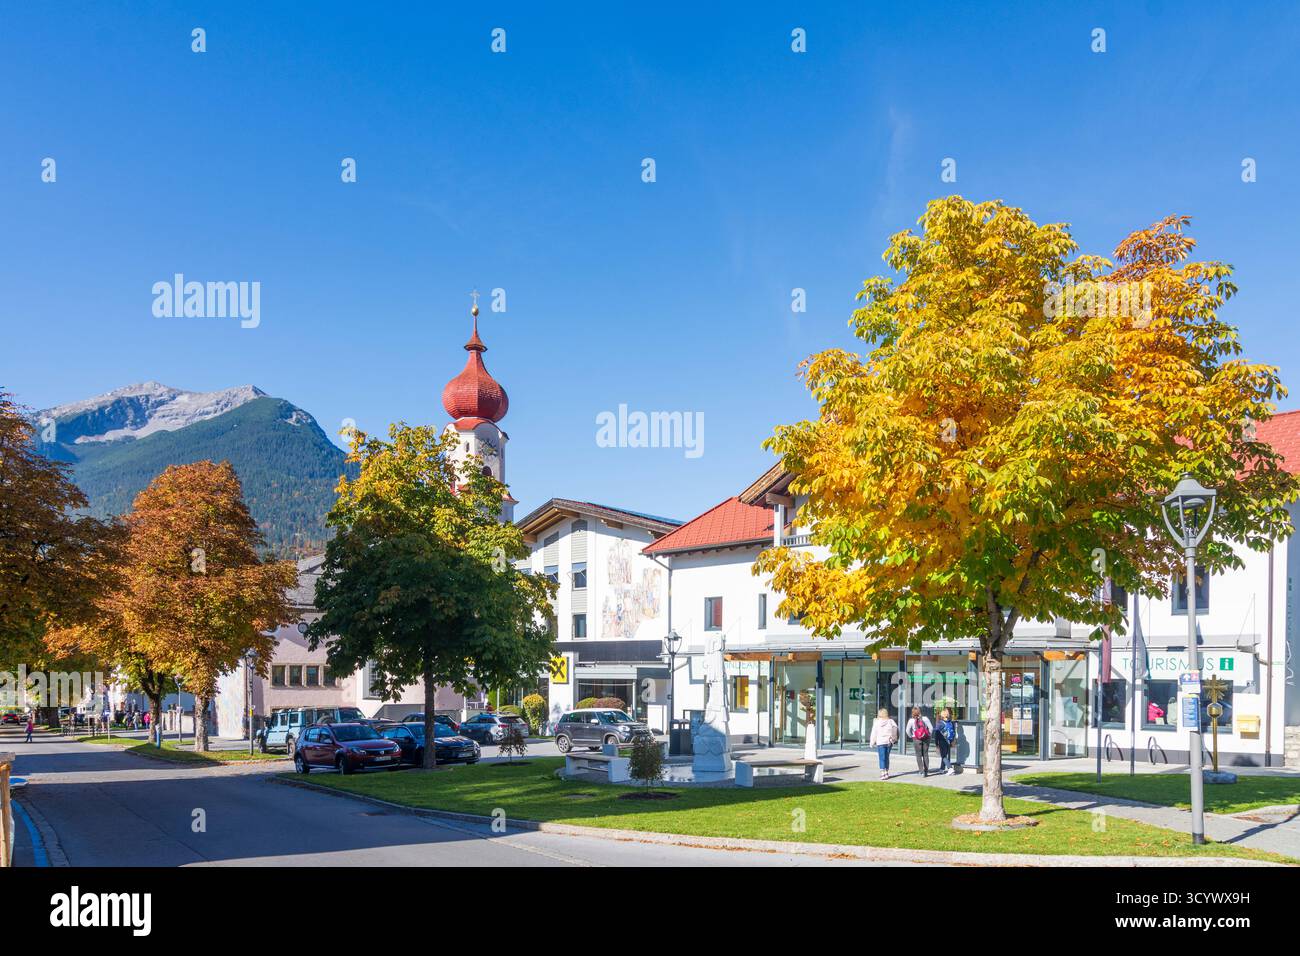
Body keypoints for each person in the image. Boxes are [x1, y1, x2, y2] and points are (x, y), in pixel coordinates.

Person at [868, 707, 899, 780]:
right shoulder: (891, 721)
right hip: (889, 742)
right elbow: (896, 729)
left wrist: (872, 742)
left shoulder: (877, 722)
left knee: (881, 758)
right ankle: (887, 772)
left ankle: (883, 773)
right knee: (887, 757)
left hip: (880, 742)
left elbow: (874, 733)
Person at [905, 706, 934, 777]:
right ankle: (926, 771)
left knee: (918, 755)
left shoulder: (911, 721)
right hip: (926, 738)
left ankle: (921, 771)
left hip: (916, 739)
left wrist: (911, 736)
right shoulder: (925, 719)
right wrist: (929, 735)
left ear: (913, 713)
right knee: (925, 754)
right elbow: (931, 728)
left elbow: (907, 731)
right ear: (920, 712)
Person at [934, 707, 958, 775]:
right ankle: (942, 769)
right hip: (948, 741)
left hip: (942, 741)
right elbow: (953, 733)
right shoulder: (950, 722)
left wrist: (936, 743)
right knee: (944, 755)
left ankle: (950, 768)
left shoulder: (940, 723)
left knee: (943, 756)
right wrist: (952, 741)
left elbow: (937, 734)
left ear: (942, 715)